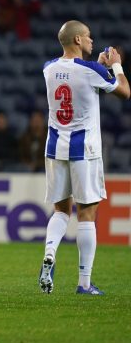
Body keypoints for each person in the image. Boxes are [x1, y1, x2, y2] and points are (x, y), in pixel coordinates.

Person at [38, 20, 129, 296]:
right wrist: (116, 65)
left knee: (61, 210)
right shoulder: (93, 71)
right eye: (88, 37)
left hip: (54, 147)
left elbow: (76, 75)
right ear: (77, 40)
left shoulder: (48, 68)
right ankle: (85, 283)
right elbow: (125, 92)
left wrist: (98, 65)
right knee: (87, 213)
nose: (92, 40)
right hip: (84, 150)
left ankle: (50, 254)